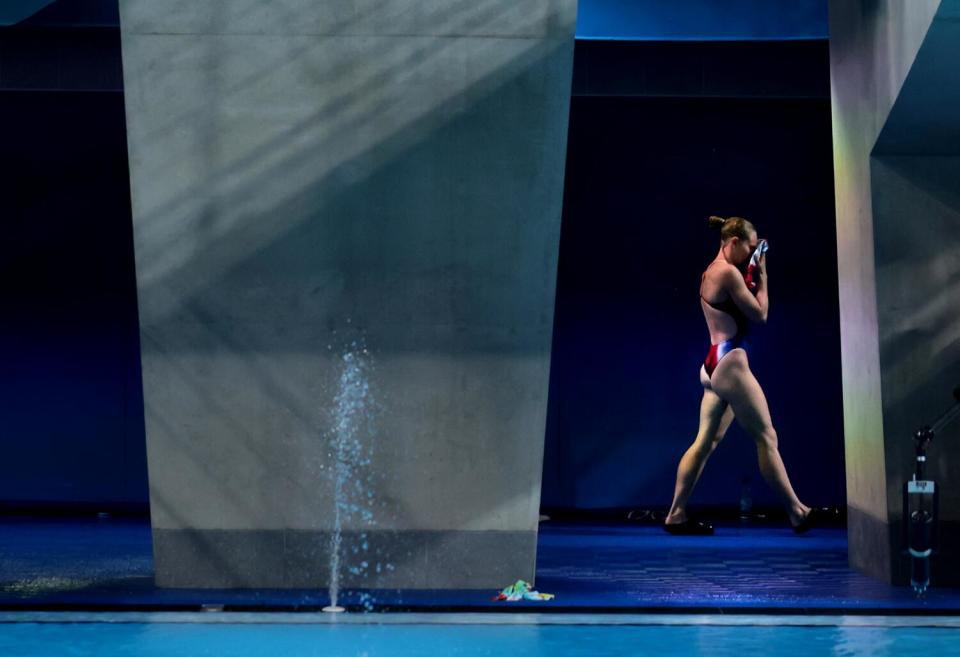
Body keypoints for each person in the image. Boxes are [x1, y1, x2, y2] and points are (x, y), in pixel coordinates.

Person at [663, 215, 825, 535]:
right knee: (767, 438)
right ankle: (797, 511)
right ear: (733, 242)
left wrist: (751, 267)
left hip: (712, 364)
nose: (752, 254)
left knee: (704, 442)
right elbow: (760, 314)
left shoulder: (711, 271)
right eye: (749, 248)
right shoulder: (726, 273)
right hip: (731, 365)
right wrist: (763, 274)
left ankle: (676, 514)